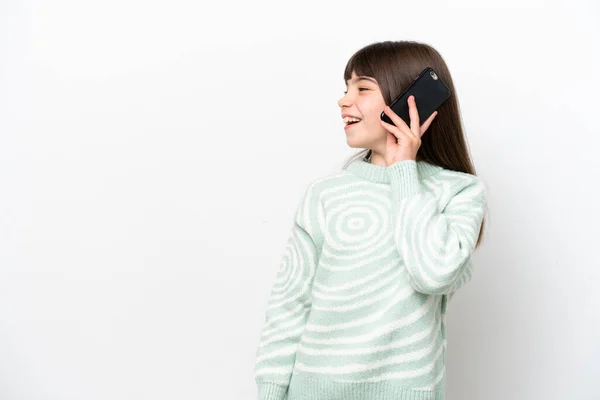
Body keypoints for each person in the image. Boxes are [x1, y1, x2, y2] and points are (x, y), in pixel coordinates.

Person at [253, 40, 488, 400]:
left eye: (362, 88)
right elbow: (290, 304)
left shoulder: (458, 192)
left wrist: (404, 172)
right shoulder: (325, 195)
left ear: (411, 101)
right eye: (346, 88)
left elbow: (434, 273)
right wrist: (270, 393)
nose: (344, 100)